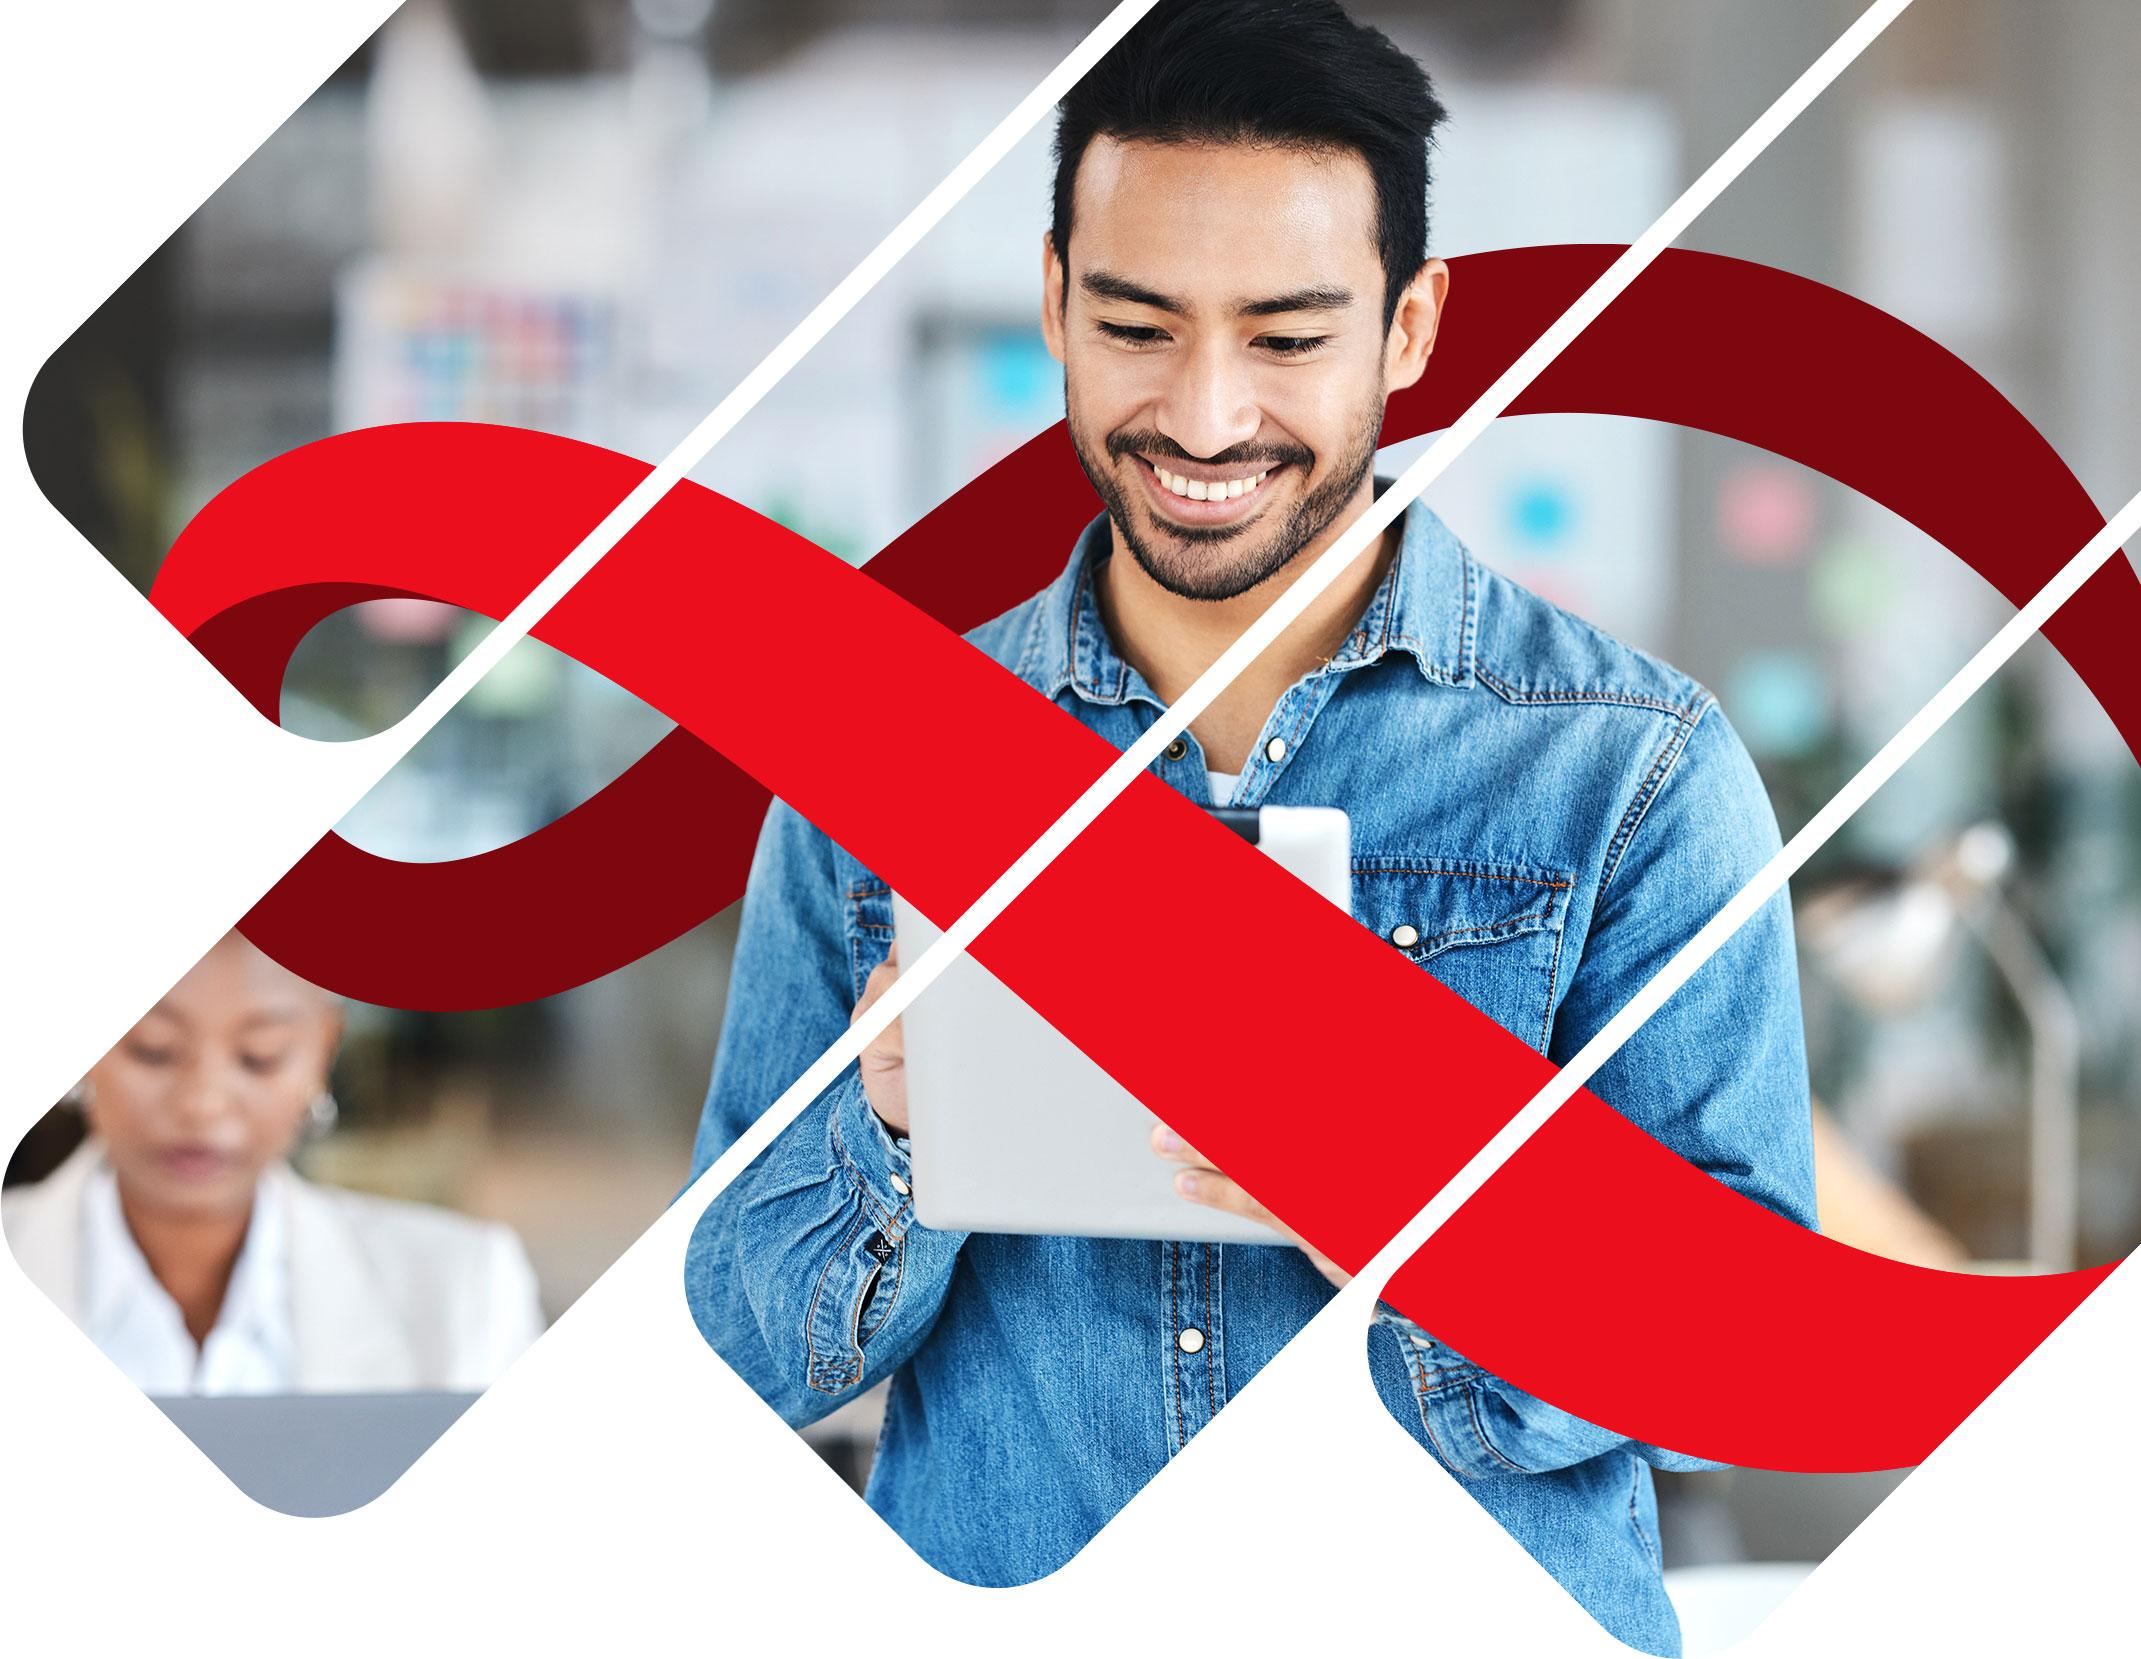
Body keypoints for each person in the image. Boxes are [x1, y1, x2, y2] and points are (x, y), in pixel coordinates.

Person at [683, 3, 1815, 1652]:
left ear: (1410, 327)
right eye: (1139, 325)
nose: (1204, 419)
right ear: (1057, 303)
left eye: (1287, 336)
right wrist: (890, 1132)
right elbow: (743, 1346)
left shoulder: (1628, 774)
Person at [4, 931, 544, 1394]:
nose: (202, 1102)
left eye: (260, 1054)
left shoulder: (466, 1288)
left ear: (322, 1052)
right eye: (154, 1048)